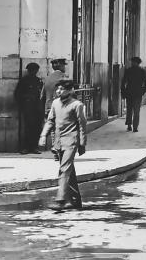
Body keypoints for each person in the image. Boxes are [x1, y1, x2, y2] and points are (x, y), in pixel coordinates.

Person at [40, 80, 88, 210]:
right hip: (58, 142)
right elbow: (50, 121)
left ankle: (60, 199)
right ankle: (76, 201)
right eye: (57, 89)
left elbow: (82, 126)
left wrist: (82, 143)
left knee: (64, 169)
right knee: (69, 171)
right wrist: (43, 136)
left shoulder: (77, 105)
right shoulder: (55, 103)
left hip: (71, 141)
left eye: (61, 89)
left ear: (71, 90)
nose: (58, 91)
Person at [14, 62, 44, 154]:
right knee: (27, 128)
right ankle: (25, 147)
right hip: (28, 108)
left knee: (37, 128)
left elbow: (43, 94)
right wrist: (24, 102)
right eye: (32, 70)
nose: (34, 72)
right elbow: (17, 94)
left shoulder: (39, 81)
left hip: (37, 108)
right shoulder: (24, 81)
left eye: (35, 70)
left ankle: (34, 147)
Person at [121, 57, 146, 133]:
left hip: (130, 92)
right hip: (137, 93)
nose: (132, 63)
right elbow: (145, 83)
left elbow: (124, 82)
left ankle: (130, 125)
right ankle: (134, 126)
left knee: (130, 110)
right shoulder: (142, 71)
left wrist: (123, 92)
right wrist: (142, 91)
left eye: (133, 62)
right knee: (136, 110)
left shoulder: (128, 70)